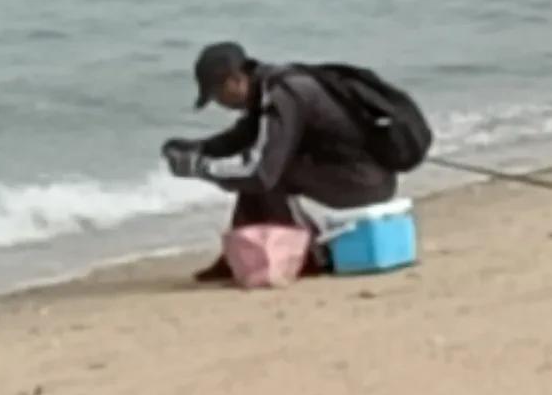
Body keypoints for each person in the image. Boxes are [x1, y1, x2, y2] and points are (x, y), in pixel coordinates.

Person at [162, 43, 398, 250]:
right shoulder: (271, 85)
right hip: (365, 174)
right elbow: (243, 135)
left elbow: (262, 175)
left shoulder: (281, 95)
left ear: (235, 80)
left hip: (365, 182)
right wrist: (199, 148)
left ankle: (304, 252)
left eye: (216, 95)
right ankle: (248, 253)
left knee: (264, 174)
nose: (219, 104)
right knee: (257, 166)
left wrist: (200, 168)